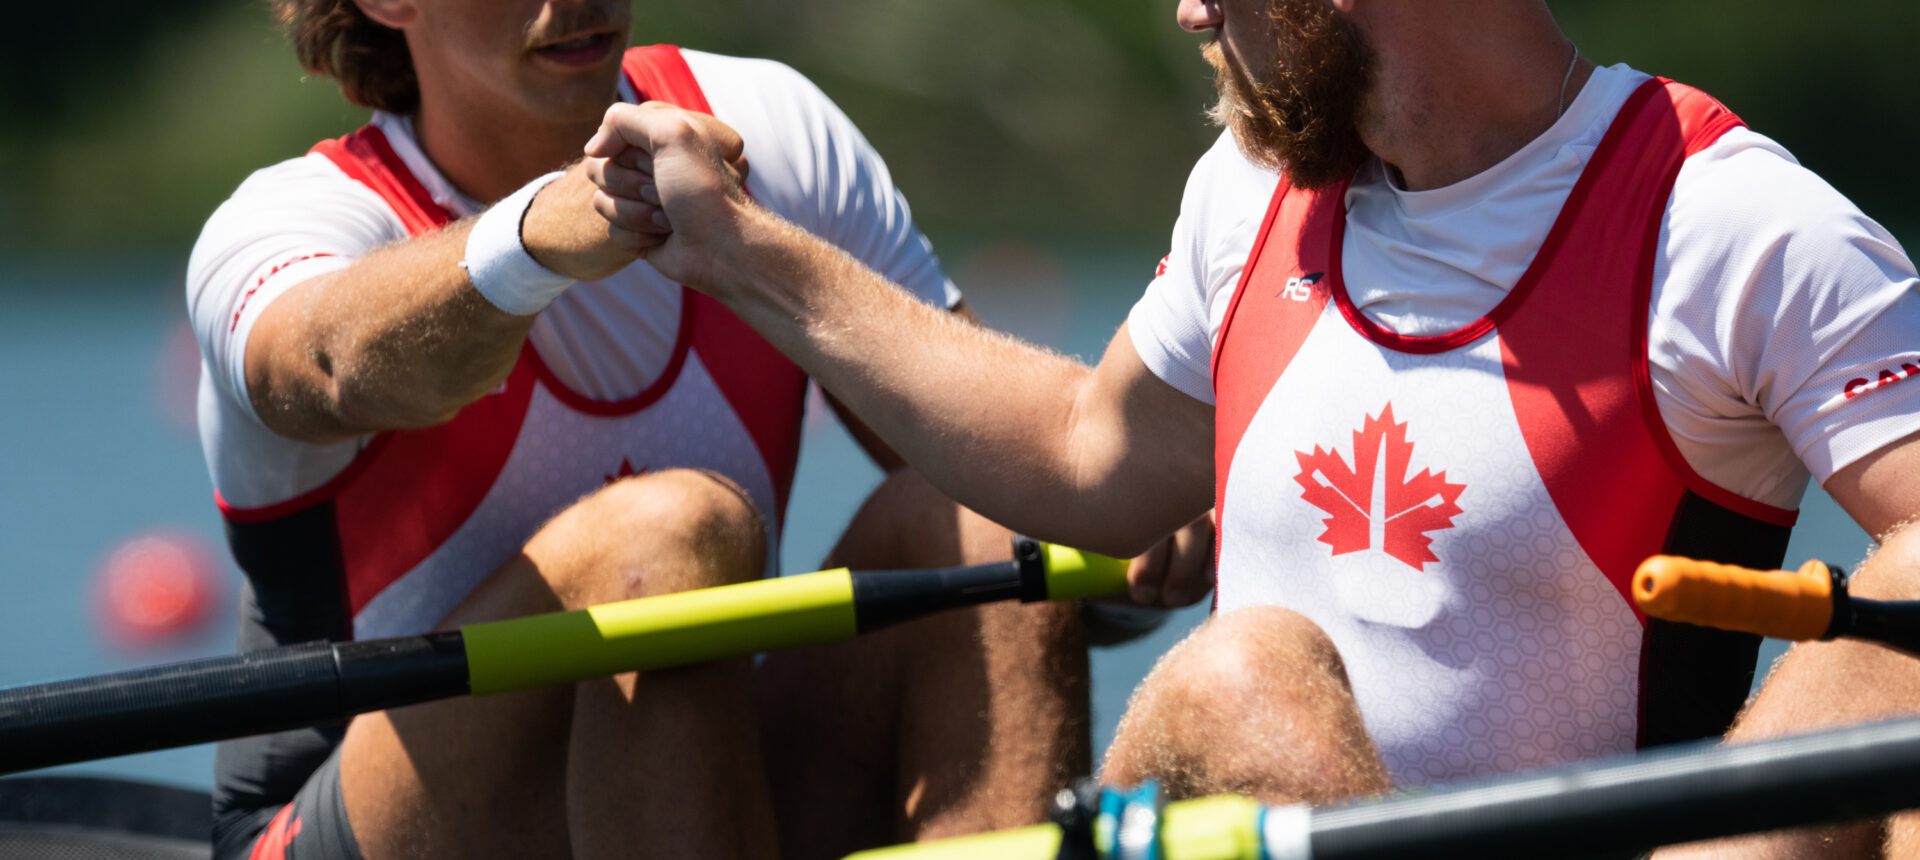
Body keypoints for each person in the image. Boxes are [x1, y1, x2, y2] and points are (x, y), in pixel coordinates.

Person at [584, 0, 1920, 853]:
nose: (1188, 10)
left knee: (1246, 674)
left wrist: (1765, 840)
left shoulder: (1736, 230)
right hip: (1229, 806)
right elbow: (1085, 454)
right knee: (1243, 680)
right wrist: (745, 251)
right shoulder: (1252, 193)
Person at [185, 1, 1213, 858]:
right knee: (663, 539)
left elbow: (1036, 479)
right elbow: (325, 366)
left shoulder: (764, 129)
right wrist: (539, 236)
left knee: (983, 517)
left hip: (676, 785)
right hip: (343, 823)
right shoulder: (289, 226)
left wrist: (1141, 537)